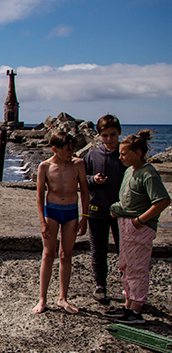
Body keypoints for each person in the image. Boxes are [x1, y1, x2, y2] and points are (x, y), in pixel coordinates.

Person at [108, 130, 171, 324]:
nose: (121, 157)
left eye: (124, 154)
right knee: (126, 266)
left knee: (137, 268)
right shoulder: (130, 170)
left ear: (138, 152)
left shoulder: (148, 173)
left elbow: (162, 201)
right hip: (126, 224)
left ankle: (136, 310)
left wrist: (139, 221)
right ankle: (128, 306)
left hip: (139, 227)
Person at [34, 132, 90, 314]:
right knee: (48, 254)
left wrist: (85, 217)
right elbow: (40, 196)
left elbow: (85, 192)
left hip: (71, 212)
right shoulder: (45, 167)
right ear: (55, 149)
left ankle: (62, 298)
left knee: (66, 254)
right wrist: (42, 222)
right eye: (67, 150)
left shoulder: (78, 164)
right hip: (52, 212)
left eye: (72, 149)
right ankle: (42, 299)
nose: (71, 152)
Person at [83, 115, 126, 304]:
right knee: (98, 251)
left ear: (119, 133)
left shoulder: (126, 155)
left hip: (123, 213)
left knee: (124, 251)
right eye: (105, 135)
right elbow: (82, 178)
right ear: (99, 135)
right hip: (97, 210)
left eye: (113, 135)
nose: (109, 139)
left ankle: (128, 286)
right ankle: (100, 285)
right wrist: (94, 180)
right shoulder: (93, 155)